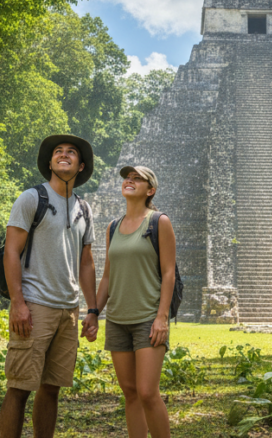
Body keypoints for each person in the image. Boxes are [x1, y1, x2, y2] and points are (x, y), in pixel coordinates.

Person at [0, 134, 101, 438]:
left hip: (68, 310)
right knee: (19, 387)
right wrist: (18, 303)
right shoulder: (32, 198)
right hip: (35, 305)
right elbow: (11, 252)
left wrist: (92, 309)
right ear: (49, 162)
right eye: (58, 151)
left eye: (71, 152)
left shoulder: (84, 209)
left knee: (51, 388)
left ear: (81, 166)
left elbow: (86, 263)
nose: (64, 154)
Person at [95, 165, 176, 438]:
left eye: (136, 179)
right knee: (130, 393)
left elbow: (168, 273)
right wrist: (94, 312)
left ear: (150, 190)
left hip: (147, 318)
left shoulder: (159, 222)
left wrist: (162, 317)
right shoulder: (112, 227)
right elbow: (107, 276)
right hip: (117, 319)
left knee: (147, 392)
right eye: (127, 178)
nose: (129, 181)